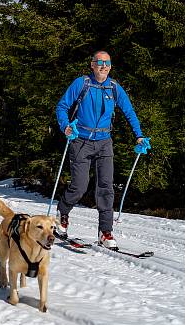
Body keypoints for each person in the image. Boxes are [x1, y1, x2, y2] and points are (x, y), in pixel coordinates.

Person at [54, 50, 145, 249]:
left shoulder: (114, 88)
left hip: (104, 142)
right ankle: (62, 214)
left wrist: (138, 135)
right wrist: (66, 126)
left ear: (110, 66)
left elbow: (129, 112)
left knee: (106, 187)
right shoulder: (82, 83)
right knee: (79, 186)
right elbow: (62, 106)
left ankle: (105, 232)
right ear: (92, 64)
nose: (103, 66)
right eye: (100, 62)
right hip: (81, 140)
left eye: (107, 63)